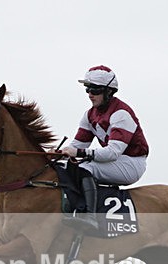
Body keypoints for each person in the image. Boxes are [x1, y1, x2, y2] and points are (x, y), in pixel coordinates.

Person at [61, 65, 149, 232]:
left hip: (132, 163)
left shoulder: (121, 114)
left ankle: (90, 217)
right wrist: (58, 154)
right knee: (64, 166)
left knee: (86, 167)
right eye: (87, 89)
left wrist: (79, 153)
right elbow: (78, 145)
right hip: (116, 160)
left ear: (109, 92)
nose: (90, 94)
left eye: (95, 89)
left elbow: (112, 153)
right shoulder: (89, 115)